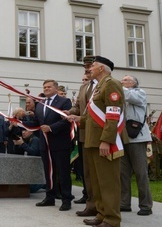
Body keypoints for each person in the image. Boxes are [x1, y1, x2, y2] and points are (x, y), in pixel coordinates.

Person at [73, 56, 127, 227]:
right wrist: (77, 118)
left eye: (93, 65)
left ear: (102, 68)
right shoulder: (99, 87)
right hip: (92, 140)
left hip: (103, 142)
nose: (90, 68)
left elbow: (113, 114)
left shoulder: (111, 83)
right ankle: (102, 214)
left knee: (108, 181)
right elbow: (91, 116)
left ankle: (112, 219)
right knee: (96, 182)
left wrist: (106, 141)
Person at [34, 79, 73, 211]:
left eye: (49, 87)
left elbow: (67, 121)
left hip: (60, 143)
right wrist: (21, 124)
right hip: (45, 143)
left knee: (63, 172)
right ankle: (49, 197)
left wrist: (51, 128)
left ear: (56, 89)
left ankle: (66, 199)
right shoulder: (40, 104)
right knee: (49, 172)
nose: (46, 89)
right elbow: (36, 122)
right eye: (44, 87)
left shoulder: (64, 102)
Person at [66, 55, 98, 217]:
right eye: (85, 68)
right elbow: (78, 106)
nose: (86, 70)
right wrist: (68, 112)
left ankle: (105, 207)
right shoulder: (85, 87)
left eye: (89, 67)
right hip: (85, 135)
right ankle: (91, 204)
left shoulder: (106, 85)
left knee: (100, 174)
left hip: (100, 136)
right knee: (88, 173)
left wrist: (80, 118)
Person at [120, 75, 153, 216]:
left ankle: (145, 205)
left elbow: (129, 96)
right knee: (123, 174)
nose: (122, 81)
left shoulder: (140, 93)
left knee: (141, 173)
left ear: (134, 83)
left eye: (125, 80)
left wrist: (116, 86)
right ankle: (124, 203)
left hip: (137, 139)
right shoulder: (121, 94)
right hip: (122, 138)